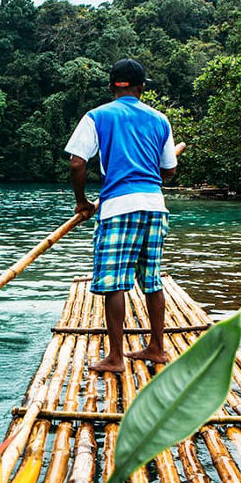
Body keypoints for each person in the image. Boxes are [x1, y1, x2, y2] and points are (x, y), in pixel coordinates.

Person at [65, 59, 177, 374]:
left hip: (118, 207)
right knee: (151, 280)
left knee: (114, 283)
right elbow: (169, 169)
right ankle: (156, 347)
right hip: (155, 206)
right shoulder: (160, 120)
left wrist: (82, 201)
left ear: (113, 86)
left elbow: (77, 164)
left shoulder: (97, 116)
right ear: (141, 87)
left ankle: (115, 357)